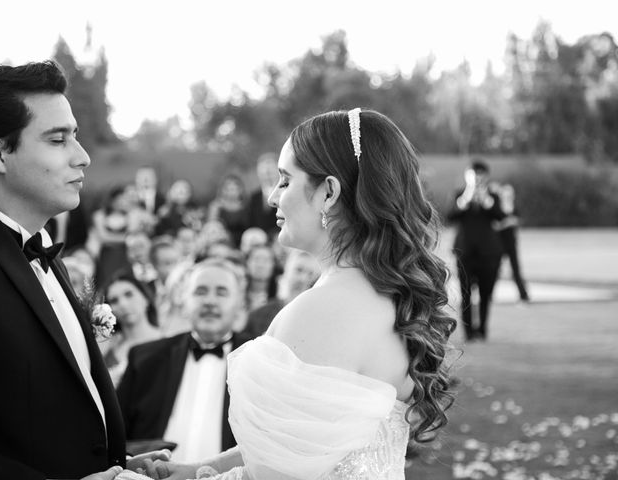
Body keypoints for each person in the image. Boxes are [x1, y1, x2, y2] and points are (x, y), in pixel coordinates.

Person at [140, 108, 456, 480]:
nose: (273, 196)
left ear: (329, 192)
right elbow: (295, 444)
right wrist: (194, 470)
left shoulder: (321, 312)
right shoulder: (389, 296)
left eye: (286, 180)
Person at [0, 61, 167, 480]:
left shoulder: (47, 256)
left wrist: (116, 465)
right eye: (58, 139)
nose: (82, 158)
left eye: (75, 137)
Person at [117, 258, 252, 464]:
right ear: (183, 298)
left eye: (221, 292)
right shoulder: (145, 359)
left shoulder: (258, 360)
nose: (210, 301)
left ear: (240, 302)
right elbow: (117, 434)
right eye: (200, 291)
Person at [447, 160, 505, 341]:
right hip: (465, 252)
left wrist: (486, 199)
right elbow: (450, 217)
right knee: (465, 294)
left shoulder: (493, 196)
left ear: (486, 177)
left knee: (486, 294)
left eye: (481, 176)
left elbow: (500, 216)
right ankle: (469, 333)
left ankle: (483, 330)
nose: (478, 180)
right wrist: (466, 197)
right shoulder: (459, 195)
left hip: (489, 253)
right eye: (474, 176)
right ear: (467, 177)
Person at [101, 273, 162, 387]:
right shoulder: (107, 347)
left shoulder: (169, 340)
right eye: (114, 300)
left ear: (145, 298)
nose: (123, 304)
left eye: (129, 294)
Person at [244, 248, 320, 338]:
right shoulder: (259, 315)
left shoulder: (315, 320)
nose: (302, 279)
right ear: (286, 270)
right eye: (299, 270)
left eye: (310, 274)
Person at [492, 182, 530, 303]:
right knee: (494, 271)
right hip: (498, 244)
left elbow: (518, 220)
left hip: (511, 243)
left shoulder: (513, 207)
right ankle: (488, 295)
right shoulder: (497, 207)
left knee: (516, 270)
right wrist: (508, 222)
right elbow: (495, 225)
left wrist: (509, 222)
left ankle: (523, 295)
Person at [207, 173, 249, 247]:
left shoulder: (247, 206)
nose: (231, 192)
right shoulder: (216, 206)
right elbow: (211, 226)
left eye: (234, 189)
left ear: (240, 190)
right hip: (221, 242)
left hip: (244, 242)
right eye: (228, 189)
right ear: (223, 190)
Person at [247, 152, 279, 238]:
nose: (267, 174)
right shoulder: (253, 197)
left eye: (270, 170)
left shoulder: (285, 193)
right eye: (263, 170)